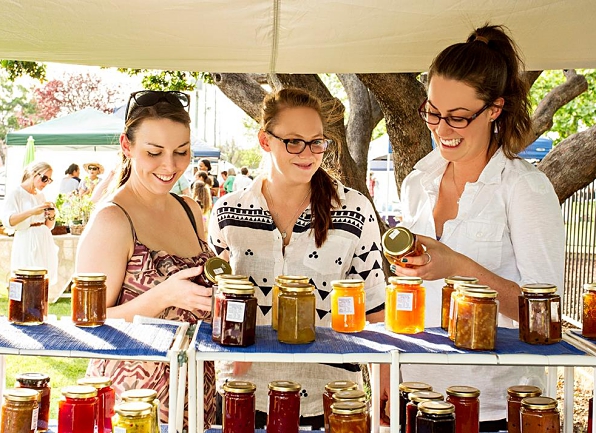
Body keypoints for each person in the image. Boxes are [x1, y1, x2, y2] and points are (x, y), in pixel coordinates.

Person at [395, 24, 565, 431]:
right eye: (433, 112)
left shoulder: (524, 188)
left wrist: (458, 265)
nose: (441, 129)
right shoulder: (417, 181)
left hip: (495, 408)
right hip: (416, 396)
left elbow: (544, 319)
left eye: (458, 117)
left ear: (495, 109)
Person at [209, 88, 386, 429]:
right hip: (244, 392)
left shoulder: (354, 209)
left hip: (332, 397)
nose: (307, 153)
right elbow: (214, 299)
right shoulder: (227, 211)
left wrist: (383, 383)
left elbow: (375, 309)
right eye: (294, 141)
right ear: (265, 140)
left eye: (316, 142)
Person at [75, 90, 215, 429]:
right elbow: (84, 325)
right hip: (133, 404)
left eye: (181, 152)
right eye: (154, 152)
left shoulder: (189, 209)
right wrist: (163, 297)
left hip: (198, 395)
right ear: (127, 145)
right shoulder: (113, 219)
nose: (170, 166)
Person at [1, 161, 59, 285]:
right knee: (26, 277)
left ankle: (42, 303)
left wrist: (51, 215)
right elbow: (8, 221)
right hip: (26, 238)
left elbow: (48, 226)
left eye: (49, 180)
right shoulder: (16, 193)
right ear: (34, 174)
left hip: (43, 238)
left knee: (43, 278)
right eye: (44, 178)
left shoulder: (40, 195)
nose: (46, 183)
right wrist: (32, 212)